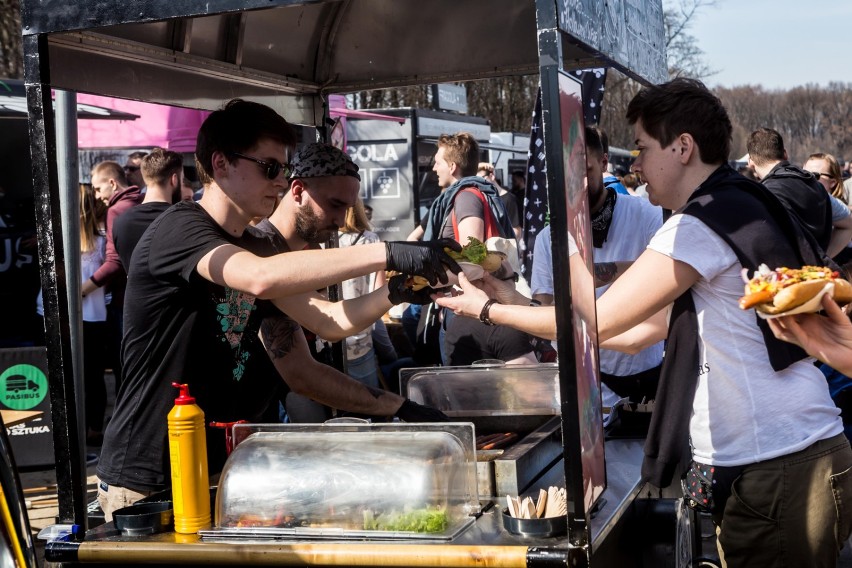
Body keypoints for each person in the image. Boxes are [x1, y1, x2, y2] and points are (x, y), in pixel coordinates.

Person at [438, 78, 852, 567]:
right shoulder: (732, 203)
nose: (632, 165)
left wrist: (489, 307)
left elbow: (599, 320)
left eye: (640, 147)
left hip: (780, 466)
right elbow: (633, 335)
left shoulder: (700, 223)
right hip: (787, 460)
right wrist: (506, 295)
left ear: (683, 147)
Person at [96, 100, 460, 520]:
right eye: (270, 167)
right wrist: (389, 252)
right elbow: (259, 278)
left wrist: (394, 295)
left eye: (283, 169)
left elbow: (328, 322)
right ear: (222, 163)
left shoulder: (261, 245)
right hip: (149, 479)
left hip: (226, 472)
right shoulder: (179, 228)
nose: (281, 182)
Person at [531, 126, 664, 402]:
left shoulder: (645, 216)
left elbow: (663, 286)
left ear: (604, 163)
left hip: (645, 381)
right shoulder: (549, 237)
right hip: (584, 381)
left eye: (585, 171)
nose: (575, 183)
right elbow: (546, 305)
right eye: (567, 175)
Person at [425, 132, 535, 366]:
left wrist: (426, 276)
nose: (434, 168)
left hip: (474, 310)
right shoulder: (472, 193)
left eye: (437, 162)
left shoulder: (465, 197)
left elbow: (472, 254)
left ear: (452, 166)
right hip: (480, 306)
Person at [37, 184, 110, 446]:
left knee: (91, 375)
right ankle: (67, 427)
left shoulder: (100, 240)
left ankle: (92, 429)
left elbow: (109, 275)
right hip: (60, 314)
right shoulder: (59, 239)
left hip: (90, 316)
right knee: (64, 372)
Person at [747, 128, 852, 258]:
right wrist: (822, 260)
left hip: (782, 276)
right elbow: (848, 223)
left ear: (751, 163)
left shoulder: (760, 196)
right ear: (785, 154)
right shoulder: (814, 185)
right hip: (814, 274)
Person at [83, 161, 143, 385]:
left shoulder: (116, 210)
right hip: (141, 298)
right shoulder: (141, 202)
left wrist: (82, 290)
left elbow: (114, 262)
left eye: (98, 189)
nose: (97, 196)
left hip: (124, 300)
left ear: (112, 183)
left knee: (124, 366)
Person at [112, 147, 183, 270]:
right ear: (174, 179)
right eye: (182, 180)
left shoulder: (120, 221)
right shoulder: (182, 220)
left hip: (133, 289)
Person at [477, 162, 521, 240]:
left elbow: (516, 230)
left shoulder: (509, 199)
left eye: (482, 178)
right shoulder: (483, 198)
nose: (479, 183)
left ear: (492, 176)